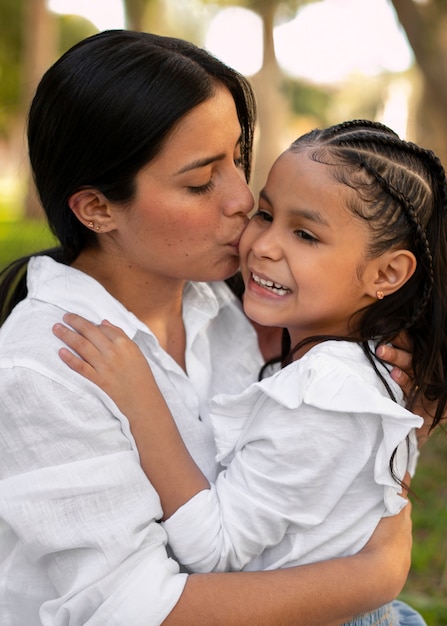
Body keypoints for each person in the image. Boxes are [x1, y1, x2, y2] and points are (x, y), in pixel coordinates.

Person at [0, 28, 424, 625]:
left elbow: (316, 467)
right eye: (201, 182)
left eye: (238, 160)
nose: (241, 200)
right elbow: (132, 611)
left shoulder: (232, 305)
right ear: (96, 208)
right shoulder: (45, 367)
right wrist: (373, 574)